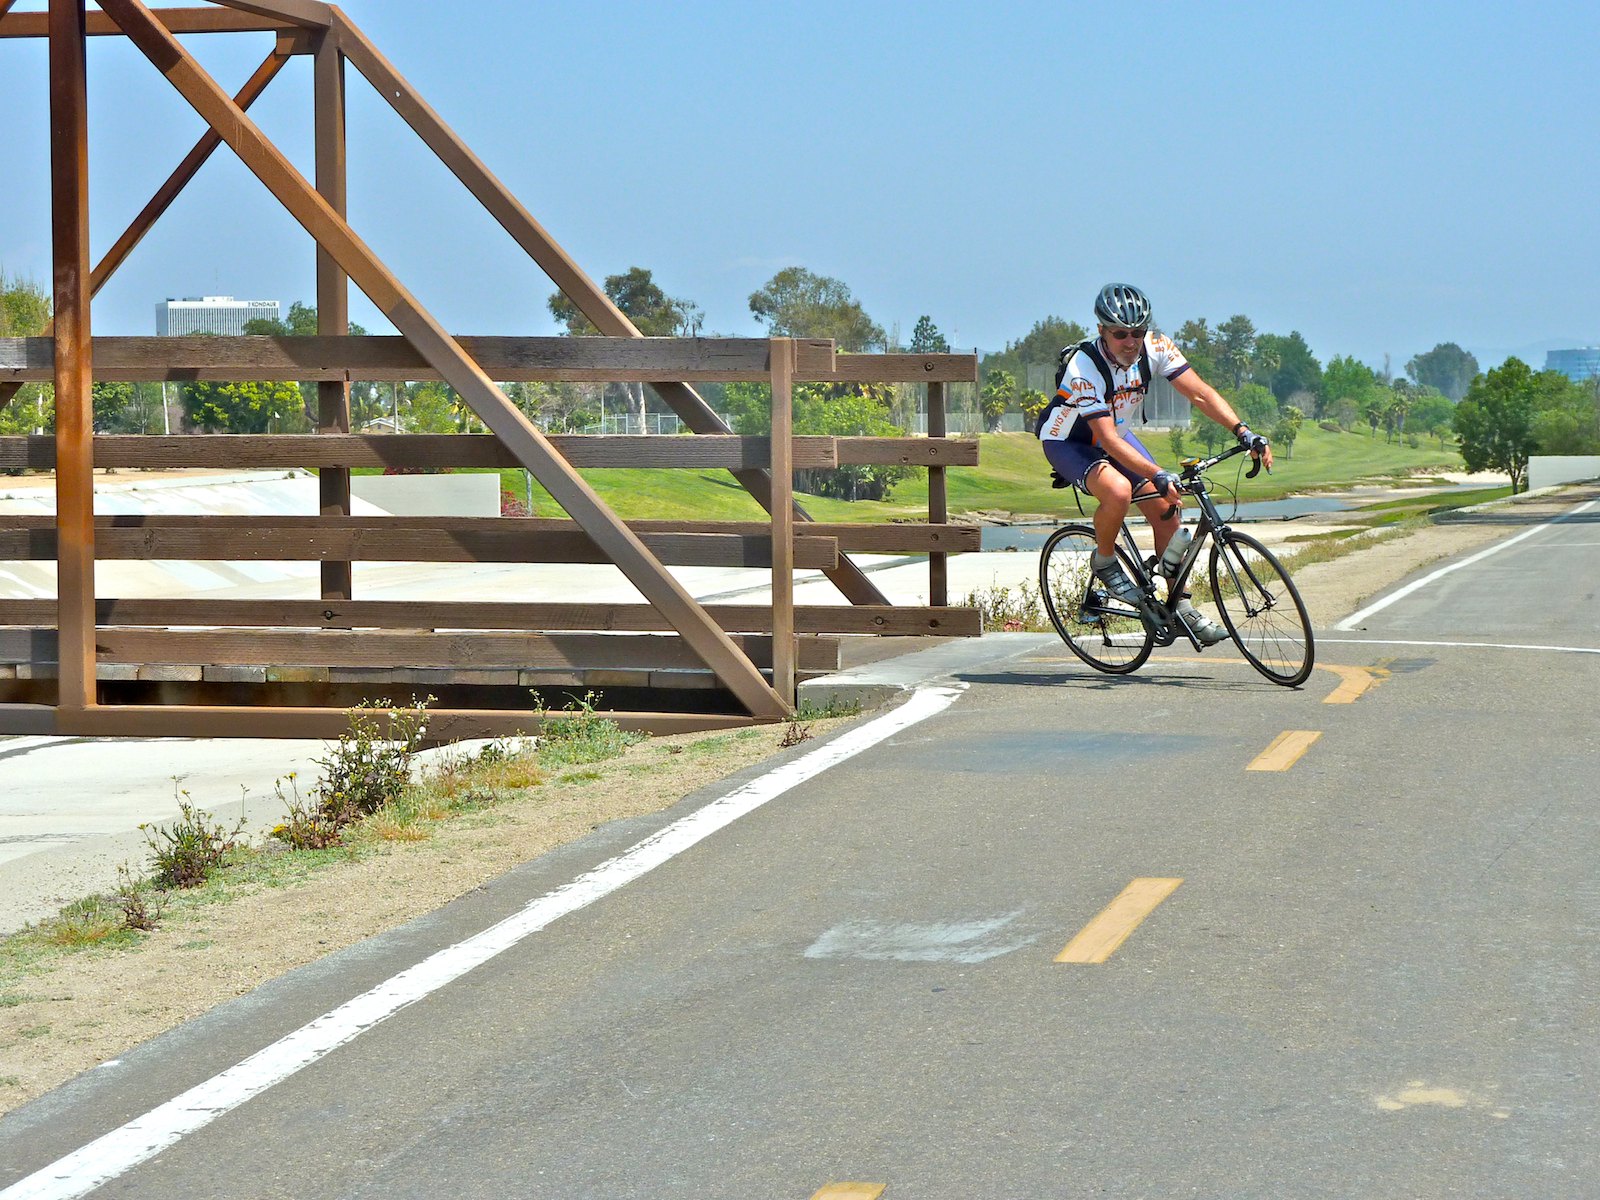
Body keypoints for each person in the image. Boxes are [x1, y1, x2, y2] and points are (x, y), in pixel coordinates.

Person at [1036, 282, 1272, 644]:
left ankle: (1181, 606)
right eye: (1120, 334)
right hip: (1070, 440)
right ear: (1101, 331)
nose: (1130, 342)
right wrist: (1157, 473)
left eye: (1137, 332)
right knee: (1117, 492)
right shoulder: (1083, 367)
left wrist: (1244, 432)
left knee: (1168, 507)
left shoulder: (1156, 347)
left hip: (1112, 431)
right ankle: (1103, 560)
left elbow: (1200, 392)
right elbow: (1109, 441)